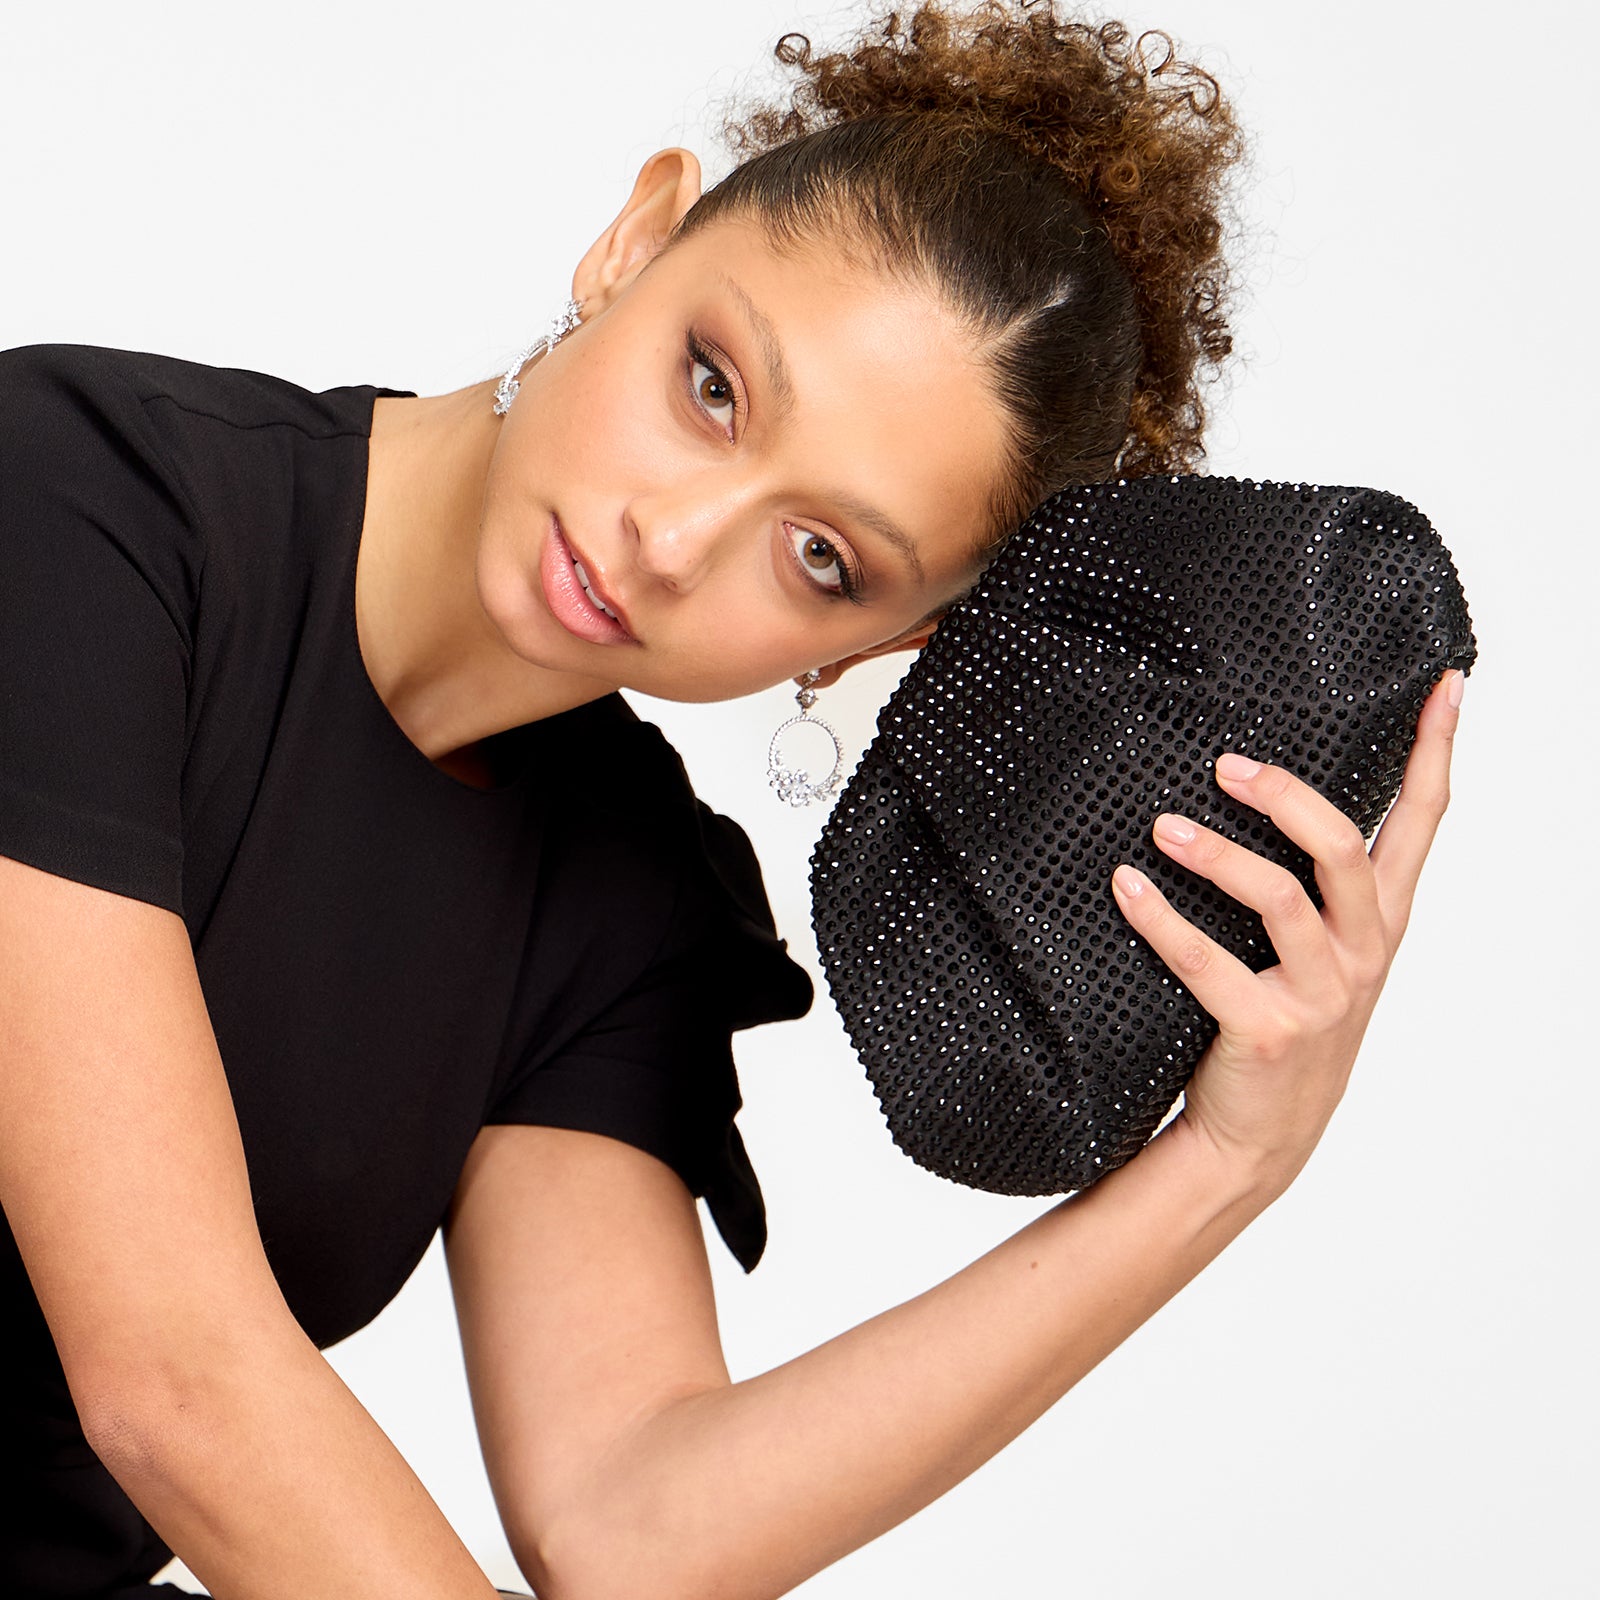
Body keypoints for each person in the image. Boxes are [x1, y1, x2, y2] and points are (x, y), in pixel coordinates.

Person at [0, 4, 1464, 1597]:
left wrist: (1224, 1167)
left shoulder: (624, 895)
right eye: (714, 386)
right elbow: (176, 1381)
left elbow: (628, 1523)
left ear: (881, 647)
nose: (677, 540)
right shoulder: (76, 511)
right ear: (634, 242)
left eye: (822, 556)